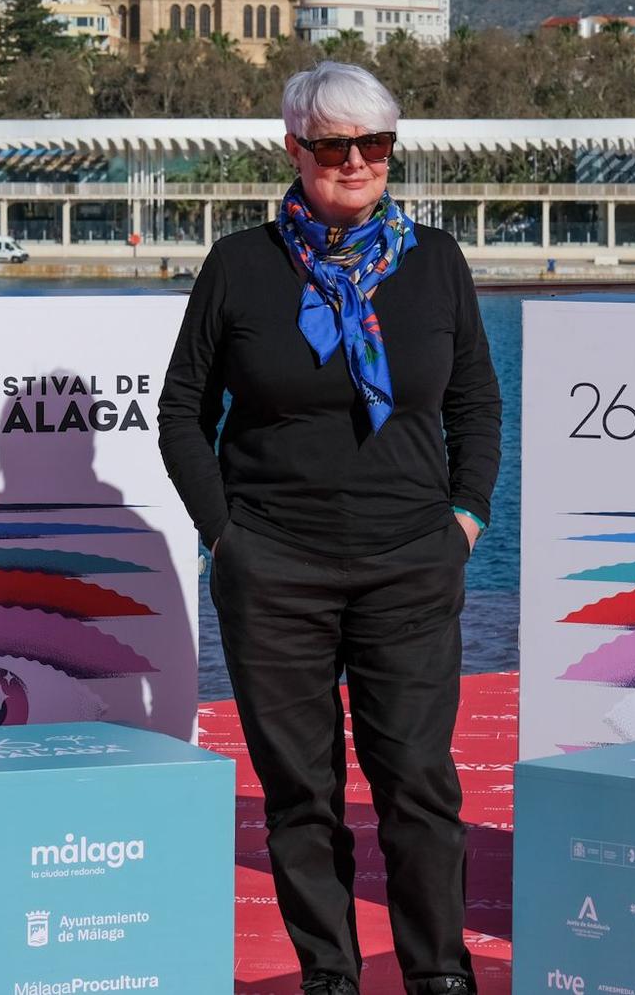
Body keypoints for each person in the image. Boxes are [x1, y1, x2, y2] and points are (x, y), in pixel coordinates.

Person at [159, 60, 501, 995]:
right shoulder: (239, 264)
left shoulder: (437, 262)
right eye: (334, 145)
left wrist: (464, 518)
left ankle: (439, 973)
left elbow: (475, 401)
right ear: (294, 148)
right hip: (274, 567)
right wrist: (226, 535)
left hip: (411, 566)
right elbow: (182, 411)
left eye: (376, 144)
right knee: (302, 795)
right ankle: (329, 976)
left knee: (419, 787)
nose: (356, 162)